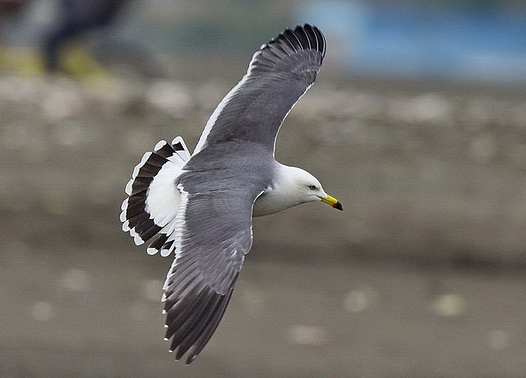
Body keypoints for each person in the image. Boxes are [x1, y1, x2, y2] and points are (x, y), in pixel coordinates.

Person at [42, 0, 130, 72]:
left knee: (62, 39)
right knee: (59, 40)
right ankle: (53, 67)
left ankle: (55, 66)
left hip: (91, 16)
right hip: (83, 14)